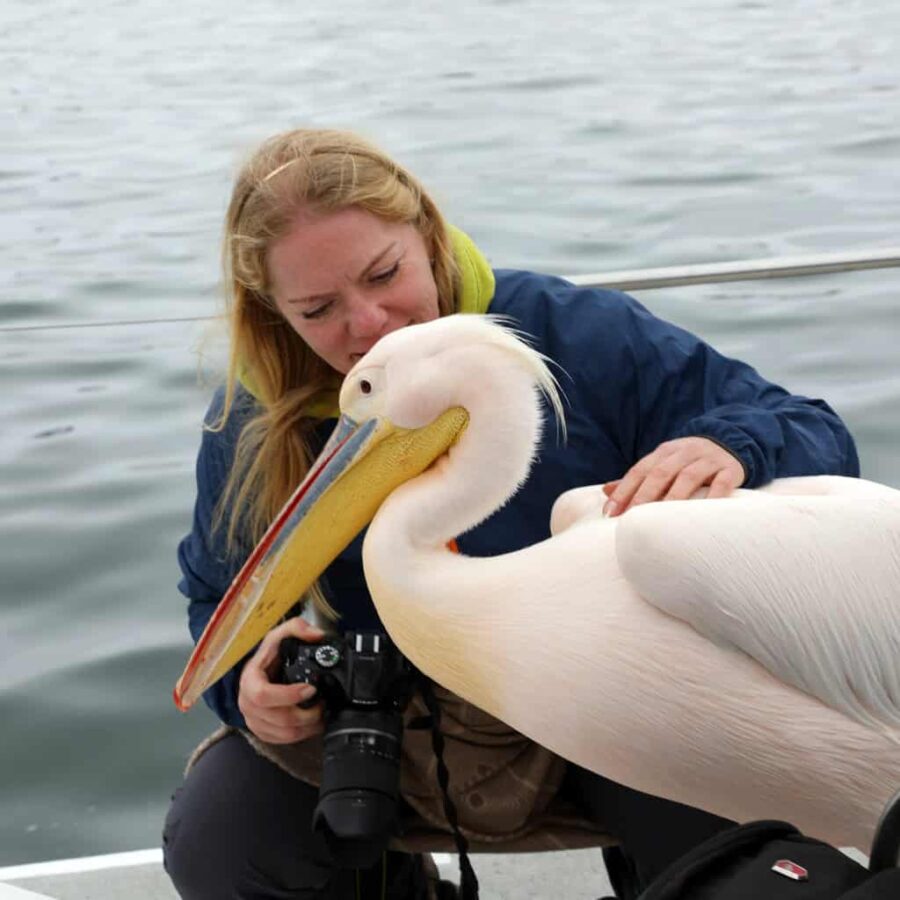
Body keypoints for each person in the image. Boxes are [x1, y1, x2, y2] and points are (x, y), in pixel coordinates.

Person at [162, 128, 860, 900]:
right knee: (222, 839)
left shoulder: (574, 337)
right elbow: (218, 601)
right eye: (319, 309)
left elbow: (811, 430)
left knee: (732, 847)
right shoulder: (256, 419)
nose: (371, 327)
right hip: (401, 720)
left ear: (428, 238)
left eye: (385, 273)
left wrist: (727, 444)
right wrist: (252, 694)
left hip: (604, 700)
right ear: (277, 315)